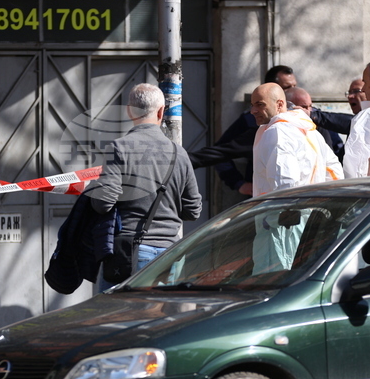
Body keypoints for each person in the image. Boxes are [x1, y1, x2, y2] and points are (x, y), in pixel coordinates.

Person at [86, 84, 202, 288]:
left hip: (130, 256)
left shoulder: (119, 148)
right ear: (161, 111)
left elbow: (103, 204)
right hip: (170, 255)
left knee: (119, 317)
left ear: (129, 110)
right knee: (162, 319)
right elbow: (193, 210)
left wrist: (94, 187)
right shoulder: (179, 153)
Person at [189, 65, 298, 196]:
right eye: (287, 87)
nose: (293, 91)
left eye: (294, 86)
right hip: (267, 200)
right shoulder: (257, 125)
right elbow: (222, 152)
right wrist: (238, 183)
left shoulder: (307, 125)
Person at [250, 83, 342, 197]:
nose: (253, 110)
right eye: (253, 105)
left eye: (260, 105)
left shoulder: (277, 131)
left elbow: (284, 181)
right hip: (311, 208)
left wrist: (288, 211)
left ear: (279, 104)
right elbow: (334, 172)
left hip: (282, 210)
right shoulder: (309, 130)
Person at [287, 87, 345, 160]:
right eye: (303, 107)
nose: (308, 111)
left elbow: (329, 158)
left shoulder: (319, 127)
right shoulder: (281, 127)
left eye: (310, 106)